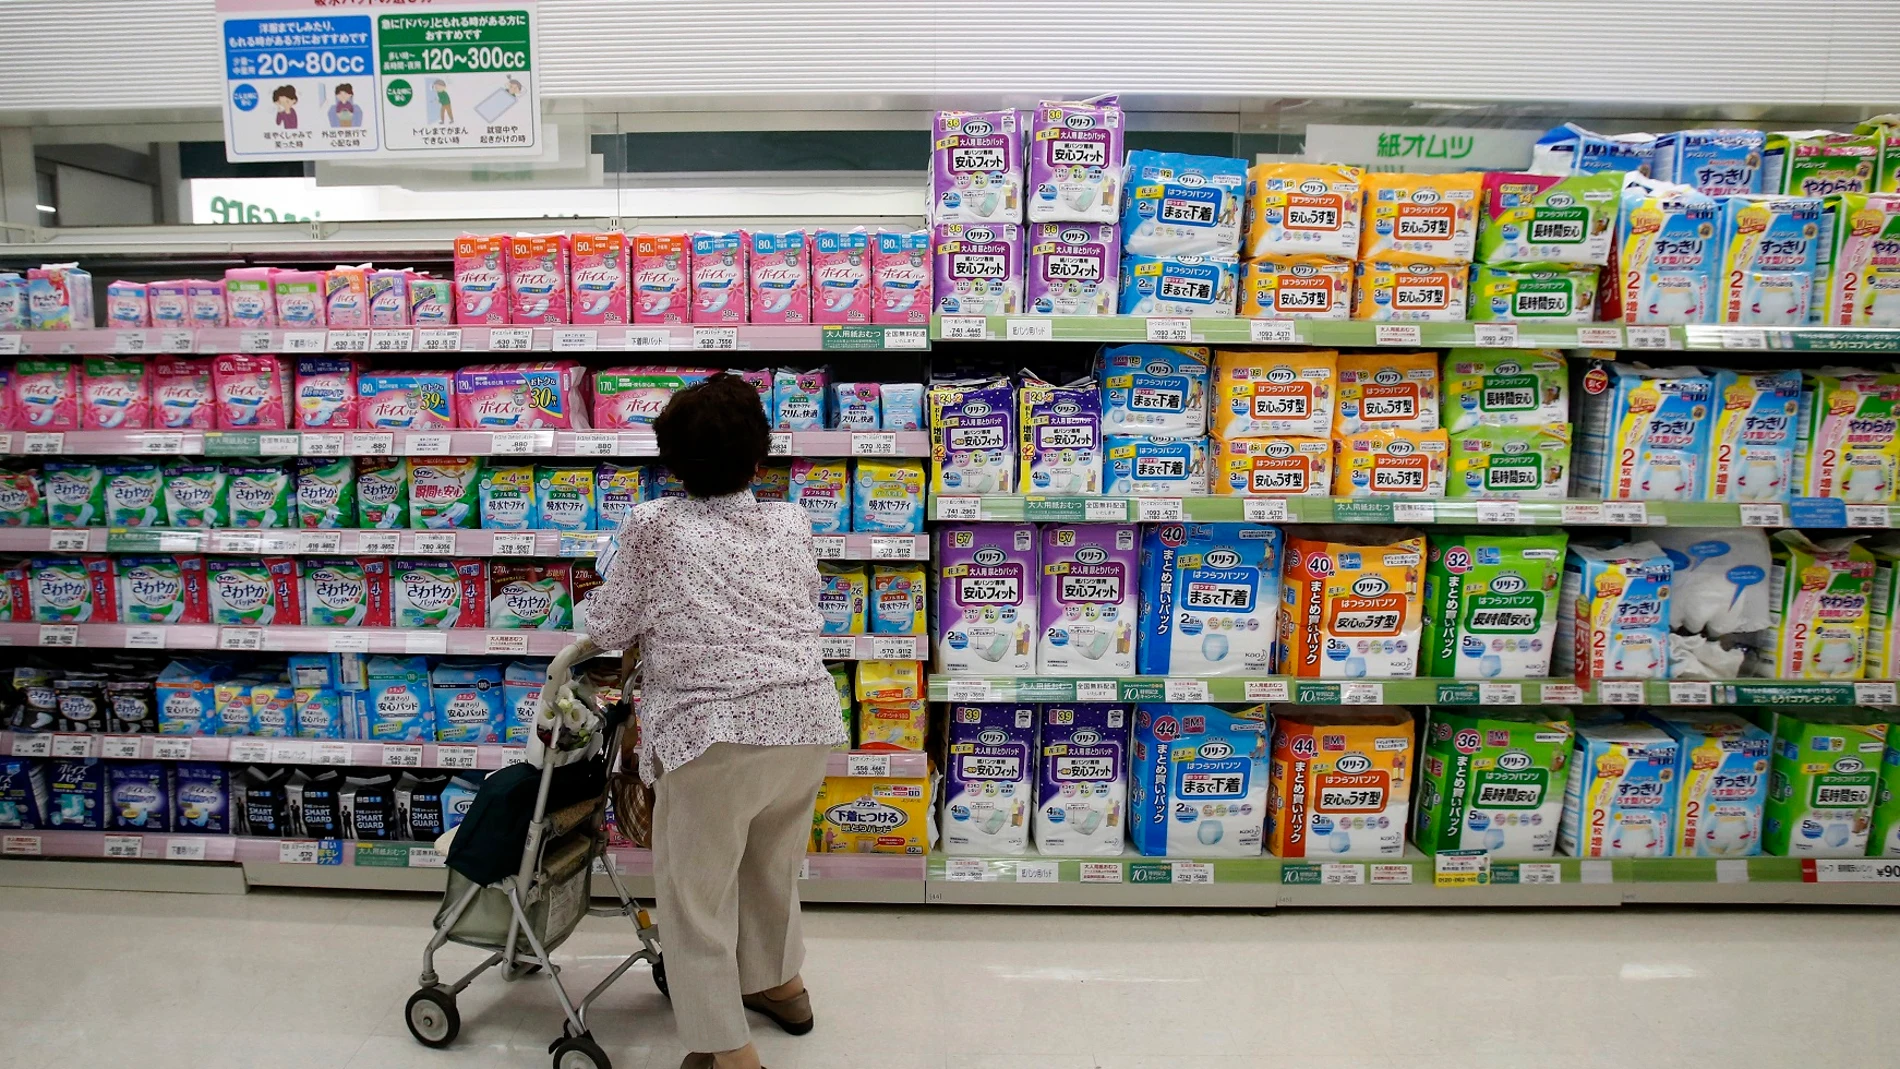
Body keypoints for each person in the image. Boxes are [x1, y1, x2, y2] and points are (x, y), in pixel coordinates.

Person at [584, 373, 843, 1069]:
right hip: (804, 719)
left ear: (671, 464)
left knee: (695, 895)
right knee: (771, 867)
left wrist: (595, 596)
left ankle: (727, 1048)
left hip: (712, 734)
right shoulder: (792, 519)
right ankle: (780, 984)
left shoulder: (653, 525)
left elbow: (609, 625)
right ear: (760, 458)